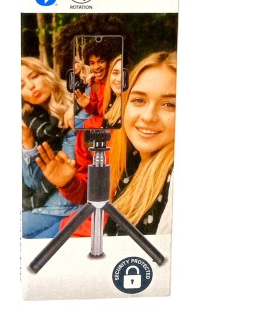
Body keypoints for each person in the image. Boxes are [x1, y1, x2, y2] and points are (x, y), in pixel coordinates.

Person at [36, 52, 176, 236]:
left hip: (91, 227)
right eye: (139, 100)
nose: (149, 116)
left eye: (170, 104)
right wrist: (69, 183)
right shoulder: (130, 153)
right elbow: (95, 193)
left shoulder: (171, 178)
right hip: (89, 222)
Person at [20, 57, 82, 238]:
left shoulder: (77, 105)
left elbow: (70, 171)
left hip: (71, 205)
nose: (31, 86)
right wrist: (28, 143)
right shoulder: (32, 121)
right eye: (22, 85)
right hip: (48, 205)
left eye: (34, 76)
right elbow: (33, 183)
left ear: (47, 74)